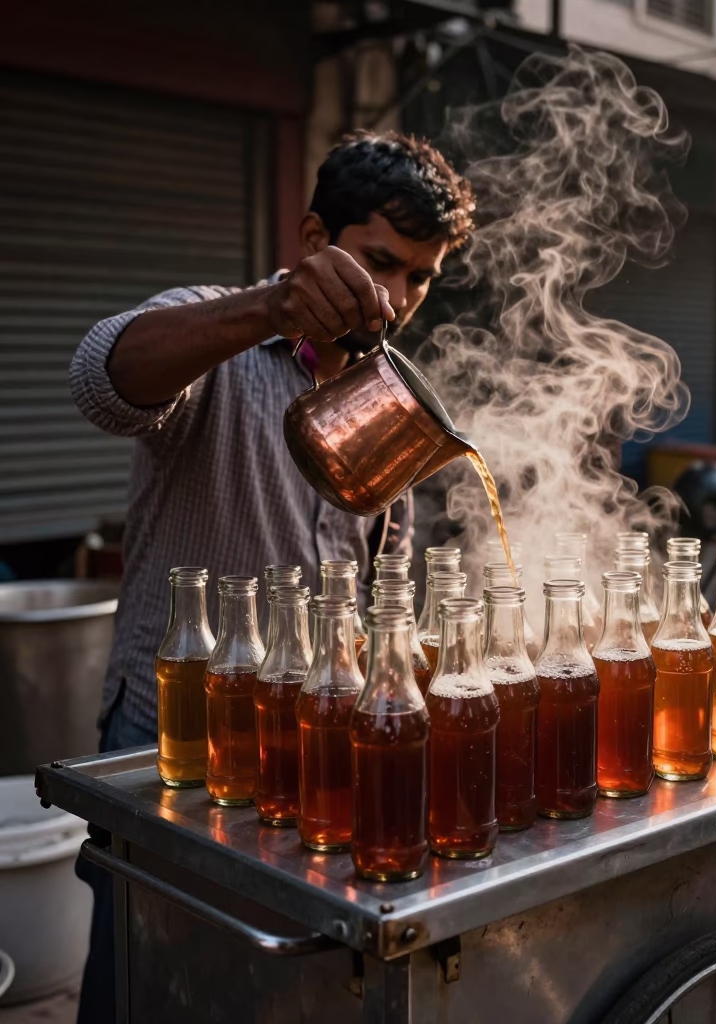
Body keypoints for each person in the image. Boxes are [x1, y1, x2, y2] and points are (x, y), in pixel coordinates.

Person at [68, 131, 475, 1023]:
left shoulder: (387, 396)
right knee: (146, 978)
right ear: (310, 237)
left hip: (308, 751)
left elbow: (383, 584)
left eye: (419, 279)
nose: (395, 299)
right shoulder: (220, 335)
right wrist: (271, 309)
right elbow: (99, 377)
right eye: (378, 263)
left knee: (267, 984)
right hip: (173, 732)